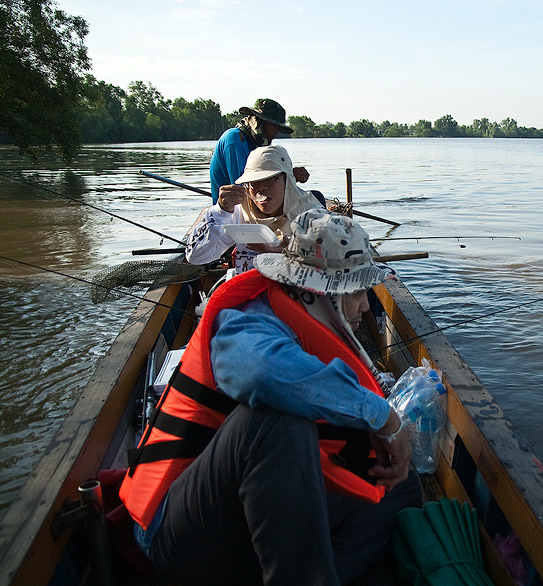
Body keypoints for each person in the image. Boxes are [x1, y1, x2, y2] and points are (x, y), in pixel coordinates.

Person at [120, 209, 422, 585]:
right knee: (274, 422)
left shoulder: (308, 317)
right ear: (315, 291)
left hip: (243, 515)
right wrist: (383, 416)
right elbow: (258, 372)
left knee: (401, 484)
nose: (365, 305)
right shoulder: (248, 319)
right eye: (356, 291)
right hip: (176, 530)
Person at [186, 144, 322, 275]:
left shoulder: (314, 216)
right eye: (253, 182)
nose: (260, 188)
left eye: (269, 179)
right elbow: (196, 257)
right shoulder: (239, 213)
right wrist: (220, 212)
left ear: (288, 181)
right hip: (249, 291)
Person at [209, 98, 310, 204]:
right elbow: (245, 187)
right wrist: (288, 178)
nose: (277, 131)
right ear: (259, 122)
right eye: (274, 125)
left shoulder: (255, 143)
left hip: (254, 202)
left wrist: (290, 176)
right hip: (235, 210)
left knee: (315, 197)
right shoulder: (234, 139)